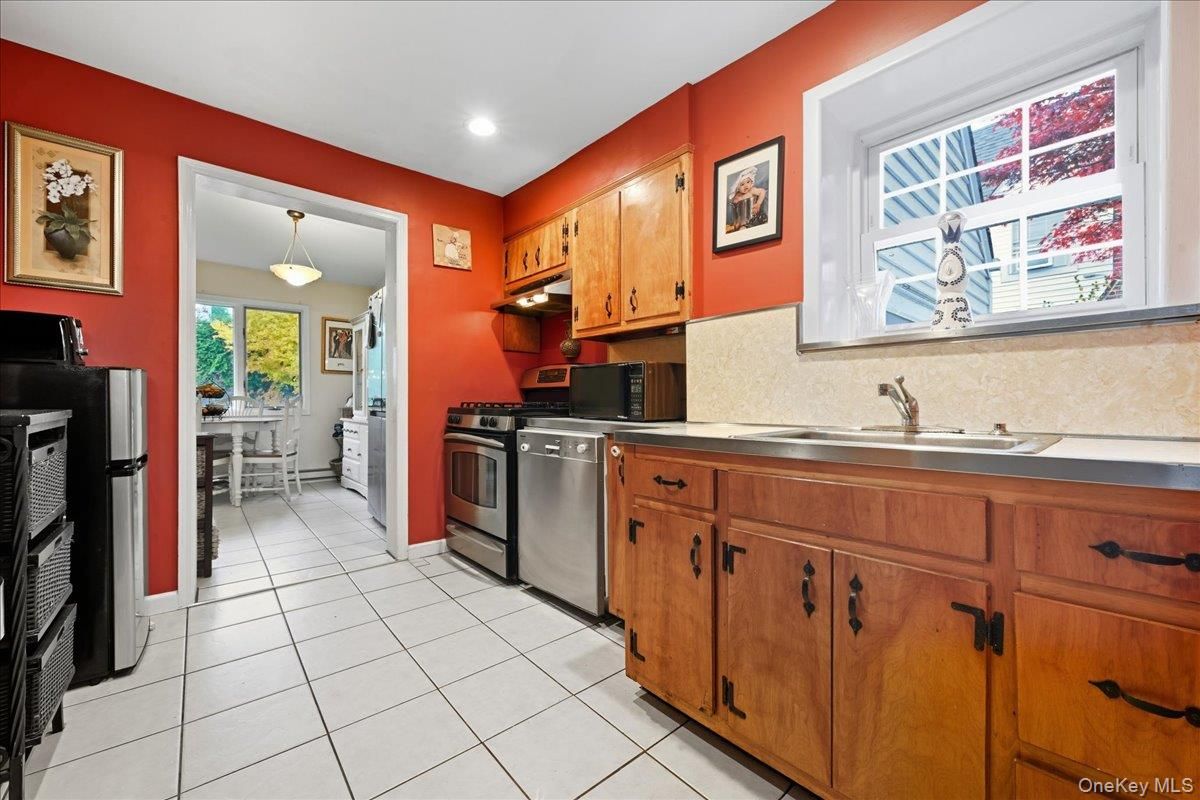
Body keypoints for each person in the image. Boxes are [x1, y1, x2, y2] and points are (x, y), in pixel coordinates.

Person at [726, 165, 768, 232]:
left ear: (751, 182)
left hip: (753, 217)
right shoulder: (737, 195)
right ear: (738, 188)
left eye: (748, 182)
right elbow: (734, 203)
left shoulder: (752, 190)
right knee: (739, 228)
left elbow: (762, 191)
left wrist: (758, 204)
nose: (746, 185)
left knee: (747, 227)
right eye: (742, 184)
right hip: (741, 221)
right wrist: (735, 200)